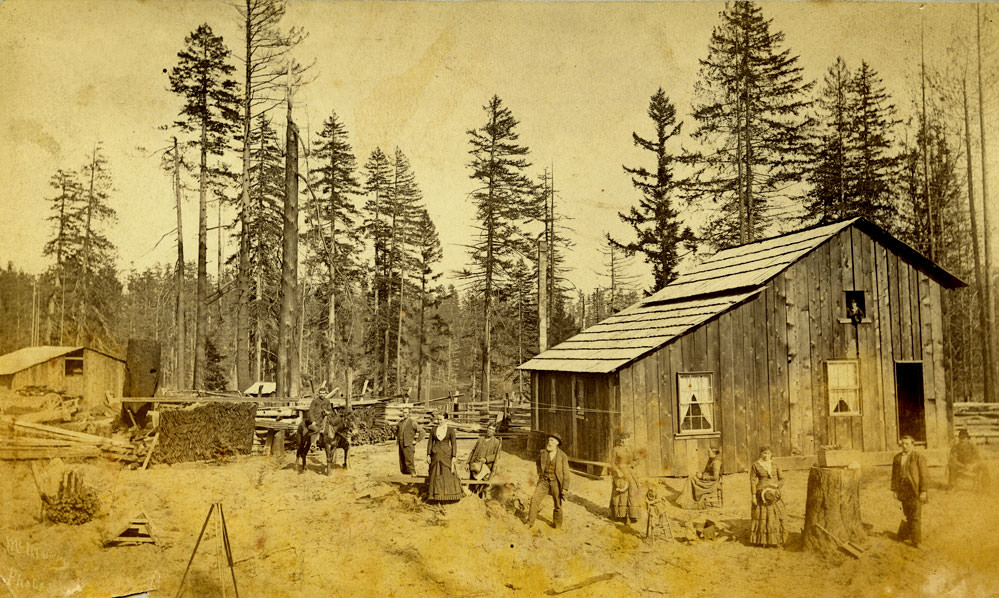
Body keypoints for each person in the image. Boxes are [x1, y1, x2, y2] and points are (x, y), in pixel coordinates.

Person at [527, 432, 570, 529]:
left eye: (552, 440)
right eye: (549, 440)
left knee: (558, 504)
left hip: (556, 482)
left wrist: (565, 488)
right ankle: (530, 522)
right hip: (544, 481)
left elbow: (566, 473)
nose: (549, 442)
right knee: (534, 500)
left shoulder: (563, 456)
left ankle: (557, 525)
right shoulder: (543, 453)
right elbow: (538, 463)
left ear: (557, 443)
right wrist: (539, 472)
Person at [891, 435, 928, 547]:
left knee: (916, 515)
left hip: (915, 489)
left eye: (907, 444)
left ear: (913, 445)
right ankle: (905, 535)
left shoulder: (918, 457)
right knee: (907, 513)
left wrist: (923, 491)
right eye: (903, 444)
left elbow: (924, 475)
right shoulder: (897, 458)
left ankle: (916, 541)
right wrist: (894, 490)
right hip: (903, 489)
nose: (905, 446)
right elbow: (894, 475)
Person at [749, 446, 786, 547]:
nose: (766, 455)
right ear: (760, 454)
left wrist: (777, 485)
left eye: (768, 453)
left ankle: (776, 540)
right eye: (764, 453)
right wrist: (753, 496)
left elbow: (782, 479)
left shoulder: (776, 464)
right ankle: (762, 540)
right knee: (762, 516)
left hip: (774, 494)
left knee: (775, 516)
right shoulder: (755, 465)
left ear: (771, 454)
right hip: (761, 493)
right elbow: (752, 481)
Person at [425, 412, 466, 503]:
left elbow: (454, 444)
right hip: (435, 454)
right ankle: (434, 495)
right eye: (438, 419)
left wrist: (454, 456)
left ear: (446, 419)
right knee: (435, 474)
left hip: (447, 455)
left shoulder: (450, 430)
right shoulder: (433, 429)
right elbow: (430, 443)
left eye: (440, 419)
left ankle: (449, 495)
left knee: (447, 473)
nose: (438, 421)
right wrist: (428, 454)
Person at [609, 433, 642, 525]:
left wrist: (631, 465)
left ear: (629, 439)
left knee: (633, 492)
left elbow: (637, 460)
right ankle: (621, 515)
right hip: (620, 473)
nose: (624, 441)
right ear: (620, 440)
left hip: (631, 473)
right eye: (622, 439)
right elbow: (612, 463)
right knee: (621, 493)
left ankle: (632, 515)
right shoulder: (615, 449)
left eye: (626, 439)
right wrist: (617, 471)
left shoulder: (632, 449)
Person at [296, 392, 332, 473]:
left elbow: (330, 411)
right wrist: (312, 421)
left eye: (324, 393)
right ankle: (313, 444)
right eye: (321, 393)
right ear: (319, 393)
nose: (322, 394)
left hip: (323, 421)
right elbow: (310, 411)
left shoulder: (327, 401)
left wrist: (327, 412)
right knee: (316, 430)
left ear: (326, 393)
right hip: (314, 422)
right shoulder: (315, 401)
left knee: (329, 431)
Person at [396, 406, 422, 475]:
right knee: (402, 462)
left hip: (408, 445)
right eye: (403, 412)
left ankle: (413, 476)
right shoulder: (400, 423)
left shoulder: (412, 422)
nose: (404, 414)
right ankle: (407, 478)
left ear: (409, 413)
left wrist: (416, 441)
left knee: (409, 462)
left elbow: (422, 432)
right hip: (401, 444)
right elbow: (397, 431)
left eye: (406, 412)